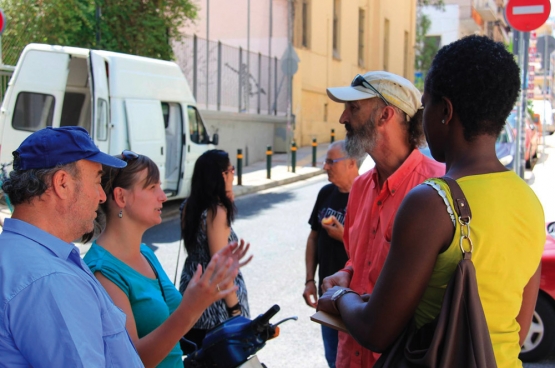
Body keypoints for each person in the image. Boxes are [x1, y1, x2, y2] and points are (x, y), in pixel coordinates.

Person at [318, 35, 545, 368]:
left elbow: (375, 331)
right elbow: (519, 327)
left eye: (428, 104)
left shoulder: (430, 201)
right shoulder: (529, 201)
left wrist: (339, 296)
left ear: (445, 112)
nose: (421, 119)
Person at [321, 71, 445, 367]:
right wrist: (347, 274)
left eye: (353, 108)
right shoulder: (360, 187)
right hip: (351, 352)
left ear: (385, 115)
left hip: (402, 358)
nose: (342, 119)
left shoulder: (438, 185)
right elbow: (357, 258)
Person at [83, 151, 251, 368]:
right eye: (152, 188)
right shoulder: (103, 271)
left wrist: (209, 289)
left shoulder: (146, 254)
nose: (163, 196)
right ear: (121, 197)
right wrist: (190, 309)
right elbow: (132, 360)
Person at [0, 126, 144, 367]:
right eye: (97, 180)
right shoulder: (49, 278)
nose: (101, 196)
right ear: (62, 184)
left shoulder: (20, 254)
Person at [179, 149, 250, 349]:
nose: (233, 173)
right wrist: (235, 309)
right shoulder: (217, 211)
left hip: (192, 290)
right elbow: (220, 265)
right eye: (231, 169)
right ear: (222, 175)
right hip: (217, 304)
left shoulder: (188, 206)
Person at [303, 140, 361, 368]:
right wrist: (309, 280)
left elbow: (374, 251)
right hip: (327, 296)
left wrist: (344, 235)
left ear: (351, 163)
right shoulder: (325, 193)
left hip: (356, 299)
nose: (325, 167)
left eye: (330, 161)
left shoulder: (365, 195)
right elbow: (313, 238)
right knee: (333, 358)